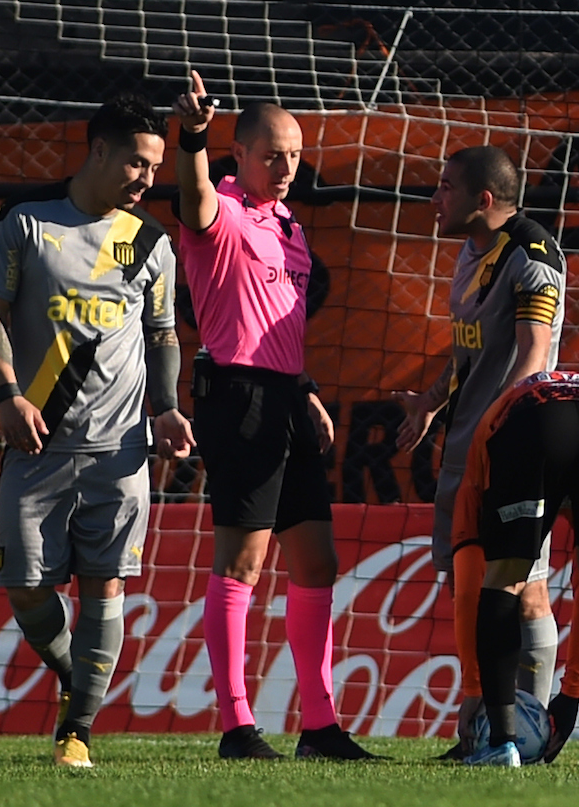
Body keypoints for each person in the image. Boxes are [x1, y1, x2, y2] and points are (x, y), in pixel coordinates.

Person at [0, 93, 193, 768]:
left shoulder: (151, 242)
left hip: (119, 453)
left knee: (105, 585)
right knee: (25, 587)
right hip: (35, 445)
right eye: (136, 161)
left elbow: (162, 335)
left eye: (154, 165)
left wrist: (166, 405)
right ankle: (77, 676)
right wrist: (8, 395)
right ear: (98, 150)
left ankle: (80, 727)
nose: (147, 177)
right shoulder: (25, 224)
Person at [171, 72, 377, 761]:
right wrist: (192, 137)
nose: (286, 166)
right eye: (272, 154)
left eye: (294, 154)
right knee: (244, 559)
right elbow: (194, 198)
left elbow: (276, 324)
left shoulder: (289, 225)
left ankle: (319, 727)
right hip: (236, 397)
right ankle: (236, 726)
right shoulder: (221, 209)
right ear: (240, 154)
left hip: (286, 396)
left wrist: (307, 388)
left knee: (318, 559)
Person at [394, 146, 566, 758]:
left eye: (445, 187)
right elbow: (469, 351)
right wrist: (434, 401)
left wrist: (501, 422)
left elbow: (533, 356)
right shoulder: (469, 252)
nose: (435, 198)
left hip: (515, 448)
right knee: (468, 594)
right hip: (463, 447)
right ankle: (479, 731)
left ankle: (532, 730)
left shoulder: (533, 257)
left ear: (483, 200)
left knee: (525, 592)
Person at [451, 371, 579, 767]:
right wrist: (572, 693)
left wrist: (474, 689)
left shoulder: (490, 429)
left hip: (535, 427)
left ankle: (502, 744)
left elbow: (473, 581)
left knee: (503, 579)